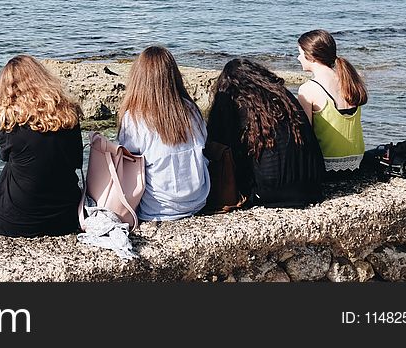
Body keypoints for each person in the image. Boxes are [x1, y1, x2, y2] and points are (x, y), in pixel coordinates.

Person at [0, 54, 83, 237]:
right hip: (66, 217)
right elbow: (77, 159)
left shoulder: (7, 120)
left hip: (14, 221)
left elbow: (6, 157)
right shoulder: (69, 112)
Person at [206, 58, 325, 208]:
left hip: (269, 192)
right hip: (311, 185)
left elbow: (221, 147)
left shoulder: (238, 104)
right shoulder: (284, 97)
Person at [116, 45, 209, 220]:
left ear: (138, 78)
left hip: (157, 209)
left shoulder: (134, 118)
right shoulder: (190, 109)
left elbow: (127, 161)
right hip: (197, 201)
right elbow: (204, 141)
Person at [296, 29, 368, 173]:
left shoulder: (308, 89)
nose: (298, 58)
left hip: (327, 165)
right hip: (357, 160)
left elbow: (306, 133)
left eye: (300, 53)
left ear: (311, 57)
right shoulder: (349, 80)